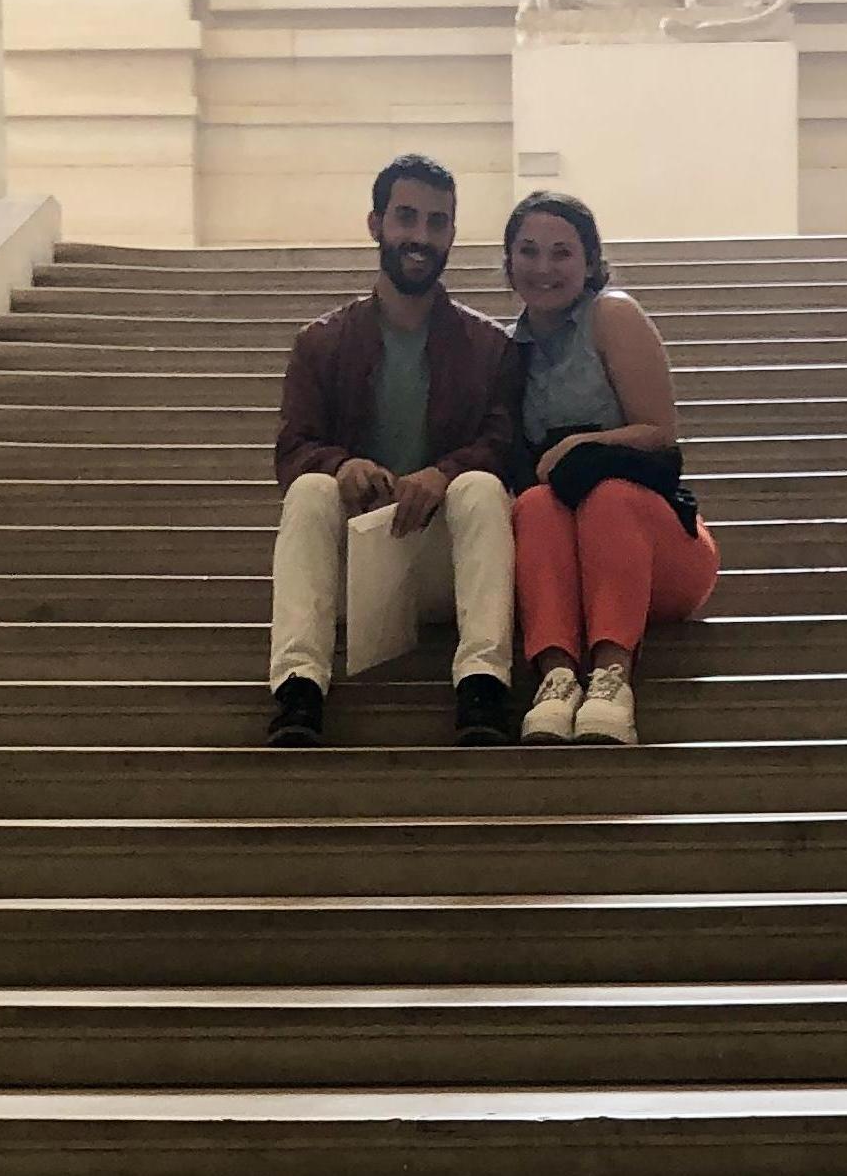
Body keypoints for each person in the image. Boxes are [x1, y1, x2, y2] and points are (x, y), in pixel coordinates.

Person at [266, 153, 520, 747]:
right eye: (407, 218)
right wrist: (339, 465)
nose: (421, 236)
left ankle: (483, 684)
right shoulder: (319, 344)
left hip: (447, 564)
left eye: (437, 222)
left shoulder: (492, 348)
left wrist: (443, 473)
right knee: (309, 488)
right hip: (356, 564)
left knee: (482, 486)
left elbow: (505, 446)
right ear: (376, 223)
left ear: (452, 234)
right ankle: (299, 688)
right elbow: (292, 449)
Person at [502, 191, 721, 745]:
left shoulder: (612, 316)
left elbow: (659, 433)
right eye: (528, 251)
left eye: (562, 252)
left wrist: (580, 447)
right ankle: (555, 676)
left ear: (591, 262)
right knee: (532, 504)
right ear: (508, 263)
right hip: (572, 558)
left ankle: (612, 677)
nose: (544, 268)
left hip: (658, 546)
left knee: (607, 498)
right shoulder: (510, 349)